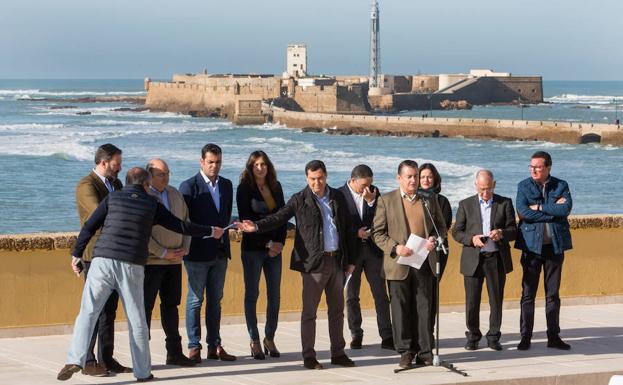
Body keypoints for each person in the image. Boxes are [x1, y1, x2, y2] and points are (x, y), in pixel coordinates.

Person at [57, 167, 222, 382]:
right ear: (146, 184)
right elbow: (180, 225)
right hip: (130, 264)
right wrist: (210, 231)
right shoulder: (152, 203)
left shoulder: (112, 197)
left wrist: (76, 254)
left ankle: (75, 359)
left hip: (102, 260)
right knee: (136, 321)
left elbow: (89, 226)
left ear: (126, 182)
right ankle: (143, 373)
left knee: (88, 312)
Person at [237, 160, 357, 370]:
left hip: (337, 261)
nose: (317, 183)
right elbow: (278, 218)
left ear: (326, 176)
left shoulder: (337, 197)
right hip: (313, 264)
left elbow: (348, 229)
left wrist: (351, 261)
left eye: (320, 178)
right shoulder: (299, 199)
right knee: (309, 312)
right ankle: (309, 356)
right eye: (312, 179)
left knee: (337, 311)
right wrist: (255, 226)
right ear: (306, 178)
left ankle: (338, 353)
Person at [372, 160, 446, 369]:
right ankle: (405, 353)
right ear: (399, 178)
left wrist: (433, 239)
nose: (414, 180)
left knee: (424, 309)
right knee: (401, 310)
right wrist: (395, 247)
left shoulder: (429, 199)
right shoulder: (386, 201)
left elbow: (440, 226)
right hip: (399, 264)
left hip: (424, 262)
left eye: (415, 176)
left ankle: (425, 352)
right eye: (409, 176)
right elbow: (377, 234)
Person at [74, 143, 129, 376]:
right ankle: (87, 360)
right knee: (92, 310)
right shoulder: (86, 185)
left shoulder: (116, 184)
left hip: (115, 253)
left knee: (109, 310)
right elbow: (100, 214)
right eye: (117, 164)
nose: (120, 168)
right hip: (94, 255)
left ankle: (106, 357)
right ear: (103, 162)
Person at [179, 143, 236, 363]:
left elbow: (224, 217)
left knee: (216, 301)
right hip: (196, 253)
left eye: (218, 162)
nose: (214, 166)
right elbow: (184, 223)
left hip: (220, 252)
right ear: (201, 162)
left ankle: (215, 345)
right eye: (210, 162)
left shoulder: (228, 185)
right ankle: (194, 346)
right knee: (195, 301)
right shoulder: (188, 186)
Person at [452, 170, 517, 351]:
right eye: (482, 189)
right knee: (472, 301)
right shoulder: (465, 204)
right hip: (473, 258)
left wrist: (501, 233)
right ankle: (473, 336)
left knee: (496, 300)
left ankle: (493, 337)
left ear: (494, 185)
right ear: (476, 186)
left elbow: (514, 230)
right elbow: (456, 232)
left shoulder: (505, 203)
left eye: (488, 189)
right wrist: (472, 239)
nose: (485, 193)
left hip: (495, 258)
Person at [515, 151, 573, 351]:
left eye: (538, 167)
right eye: (531, 166)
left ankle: (553, 336)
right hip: (531, 247)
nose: (533, 170)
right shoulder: (523, 186)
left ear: (548, 167)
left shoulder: (561, 185)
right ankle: (525, 336)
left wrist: (539, 207)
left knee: (553, 295)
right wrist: (550, 212)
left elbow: (565, 210)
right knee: (528, 294)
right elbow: (523, 212)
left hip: (554, 247)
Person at [143, 159, 195, 367]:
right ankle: (142, 355)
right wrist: (163, 252)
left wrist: (185, 249)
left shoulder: (174, 193)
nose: (165, 178)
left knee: (171, 307)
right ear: (149, 175)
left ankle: (174, 352)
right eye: (161, 174)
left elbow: (186, 222)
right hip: (151, 262)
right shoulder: (144, 196)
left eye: (167, 173)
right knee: (145, 308)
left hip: (174, 262)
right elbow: (142, 232)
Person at [236, 151, 287, 359]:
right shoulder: (244, 189)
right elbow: (246, 223)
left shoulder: (276, 186)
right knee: (252, 294)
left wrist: (280, 243)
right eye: (256, 164)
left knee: (274, 296)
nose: (260, 168)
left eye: (264, 164)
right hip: (253, 250)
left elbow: (283, 216)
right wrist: (268, 243)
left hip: (275, 249)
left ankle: (269, 337)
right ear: (250, 167)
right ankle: (255, 340)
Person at [338, 165, 393, 350]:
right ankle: (356, 334)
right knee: (352, 296)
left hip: (372, 252)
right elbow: (339, 225)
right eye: (363, 185)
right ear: (353, 180)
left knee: (380, 294)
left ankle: (387, 335)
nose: (367, 189)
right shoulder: (339, 195)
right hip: (351, 253)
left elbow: (380, 219)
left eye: (370, 184)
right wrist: (356, 233)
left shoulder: (374, 194)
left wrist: (370, 202)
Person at [418, 162, 452, 340]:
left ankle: (428, 335)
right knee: (417, 296)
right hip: (414, 252)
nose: (425, 180)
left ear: (435, 179)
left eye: (429, 176)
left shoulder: (442, 201)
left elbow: (443, 226)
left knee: (430, 296)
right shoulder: (412, 198)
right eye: (422, 176)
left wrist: (431, 239)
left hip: (434, 253)